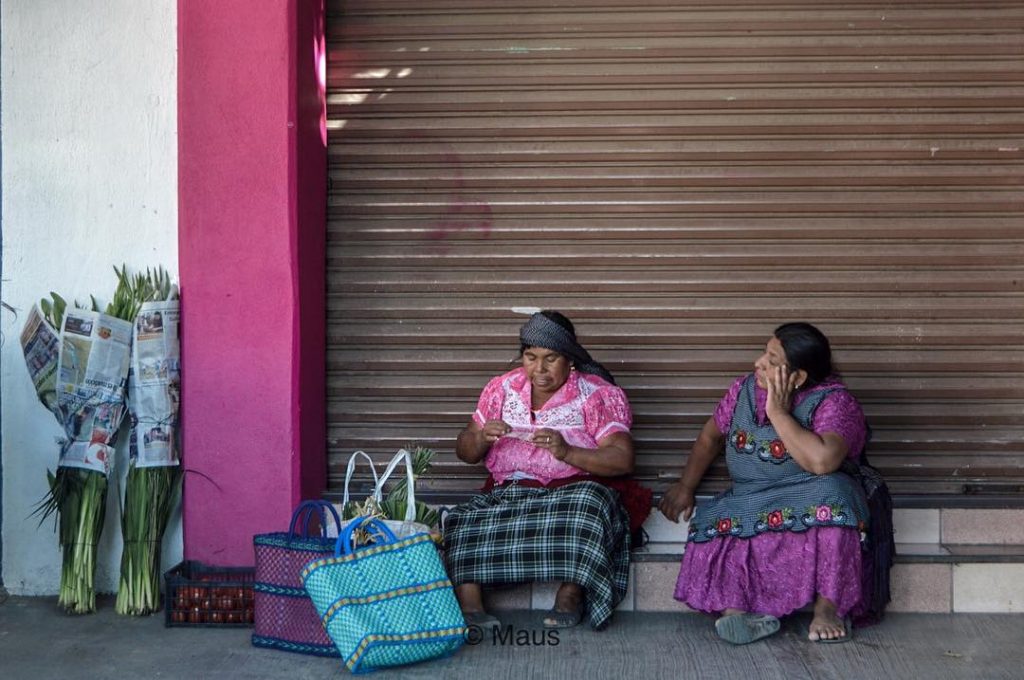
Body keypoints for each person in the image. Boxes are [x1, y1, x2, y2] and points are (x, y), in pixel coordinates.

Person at [660, 322, 870, 644]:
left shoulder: (834, 402)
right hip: (751, 495)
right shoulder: (743, 390)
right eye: (764, 353)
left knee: (833, 494)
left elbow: (822, 461)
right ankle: (739, 614)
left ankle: (828, 608)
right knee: (726, 517)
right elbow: (710, 438)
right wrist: (686, 486)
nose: (759, 363)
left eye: (772, 360)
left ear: (797, 378)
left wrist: (778, 413)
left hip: (808, 493)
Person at [444, 310, 641, 631]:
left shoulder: (595, 394)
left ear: (571, 360)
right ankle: (470, 604)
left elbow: (622, 459)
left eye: (551, 359)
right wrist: (480, 437)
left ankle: (570, 595)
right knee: (462, 518)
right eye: (531, 357)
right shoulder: (501, 389)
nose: (540, 369)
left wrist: (567, 451)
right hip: (511, 492)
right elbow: (465, 450)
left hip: (569, 493)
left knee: (590, 507)